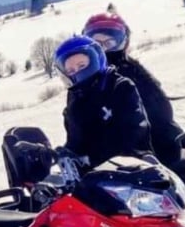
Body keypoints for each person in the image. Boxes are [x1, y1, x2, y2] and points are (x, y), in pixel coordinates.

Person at [81, 12, 185, 168]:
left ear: (124, 42)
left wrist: (183, 140)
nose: (104, 49)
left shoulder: (134, 72)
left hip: (159, 156)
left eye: (110, 42)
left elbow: (161, 114)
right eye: (97, 43)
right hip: (123, 166)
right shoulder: (88, 84)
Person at [54, 35, 153, 167]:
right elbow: (76, 142)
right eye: (71, 71)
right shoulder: (74, 99)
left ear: (96, 60)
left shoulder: (120, 87)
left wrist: (96, 159)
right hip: (94, 178)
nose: (77, 73)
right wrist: (65, 154)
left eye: (82, 65)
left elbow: (135, 133)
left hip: (133, 169)